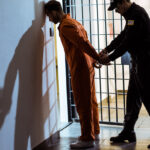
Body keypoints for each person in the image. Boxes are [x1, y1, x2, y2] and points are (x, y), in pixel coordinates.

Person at [45, 0, 102, 149]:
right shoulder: (74, 21)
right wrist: (93, 59)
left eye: (49, 16)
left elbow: (82, 43)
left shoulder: (65, 26)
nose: (49, 19)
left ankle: (87, 138)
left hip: (80, 67)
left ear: (55, 12)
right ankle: (94, 131)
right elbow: (85, 41)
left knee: (83, 102)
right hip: (87, 65)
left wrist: (96, 57)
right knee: (91, 100)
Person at [99, 0, 150, 148]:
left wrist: (109, 58)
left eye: (117, 7)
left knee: (148, 98)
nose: (116, 11)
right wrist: (107, 50)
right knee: (132, 98)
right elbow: (123, 36)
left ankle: (128, 131)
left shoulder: (137, 14)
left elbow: (127, 42)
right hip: (137, 63)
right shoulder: (130, 15)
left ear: (123, 2)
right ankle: (128, 131)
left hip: (146, 63)